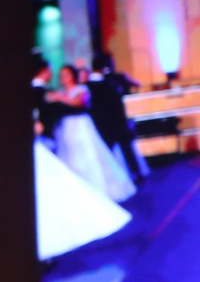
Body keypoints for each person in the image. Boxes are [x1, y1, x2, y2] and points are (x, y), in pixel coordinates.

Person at [47, 64, 136, 203]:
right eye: (61, 76)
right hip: (66, 127)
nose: (63, 78)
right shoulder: (60, 92)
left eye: (66, 75)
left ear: (73, 76)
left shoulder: (81, 89)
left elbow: (79, 102)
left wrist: (60, 98)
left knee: (89, 155)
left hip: (80, 126)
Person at [85, 52, 145, 183]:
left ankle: (123, 176)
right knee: (123, 149)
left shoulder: (93, 83)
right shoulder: (111, 80)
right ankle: (133, 174)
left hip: (106, 122)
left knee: (116, 149)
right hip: (113, 121)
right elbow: (136, 84)